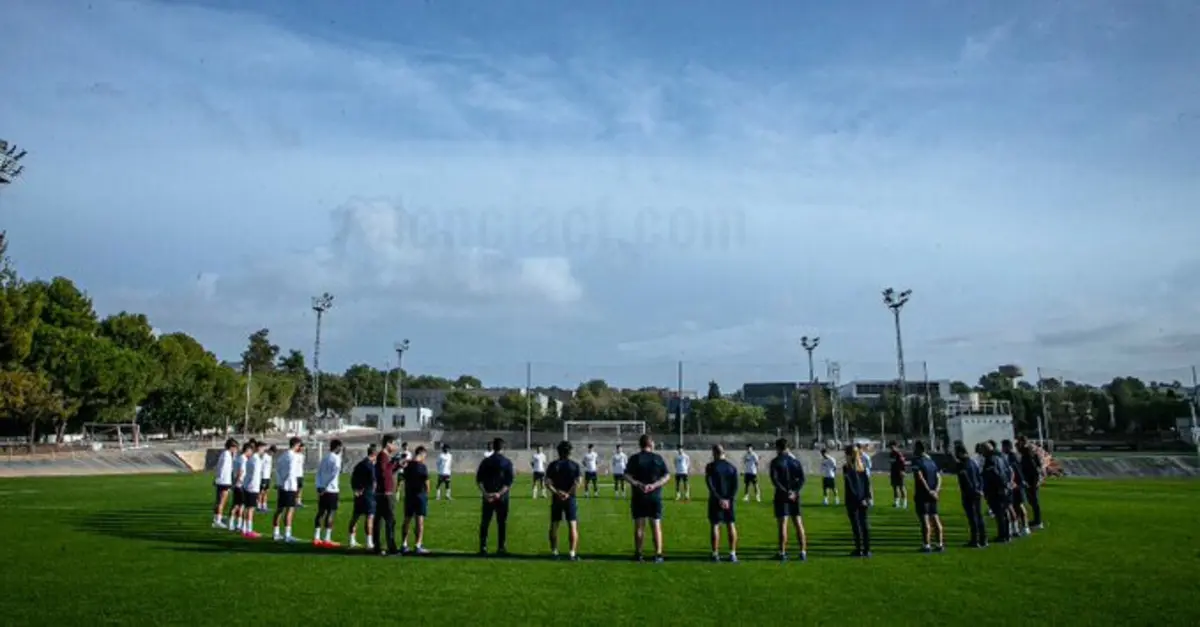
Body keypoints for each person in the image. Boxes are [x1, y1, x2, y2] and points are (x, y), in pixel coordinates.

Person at [624, 434, 670, 562]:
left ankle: (639, 554)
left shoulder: (634, 459)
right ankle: (658, 554)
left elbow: (626, 475)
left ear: (640, 445)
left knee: (639, 526)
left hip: (639, 495)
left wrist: (638, 484)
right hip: (654, 496)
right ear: (651, 444)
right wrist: (654, 485)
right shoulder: (657, 458)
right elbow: (667, 476)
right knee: (656, 525)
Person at [769, 438, 807, 562]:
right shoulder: (795, 462)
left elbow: (775, 480)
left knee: (783, 524)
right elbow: (802, 479)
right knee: (798, 523)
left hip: (782, 495)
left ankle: (782, 552)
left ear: (777, 448)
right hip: (795, 496)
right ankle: (802, 551)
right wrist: (795, 491)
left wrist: (786, 492)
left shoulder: (775, 462)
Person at [476, 437, 515, 556]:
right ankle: (501, 547)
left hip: (488, 497)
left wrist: (486, 494)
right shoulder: (507, 462)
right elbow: (509, 483)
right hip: (501, 498)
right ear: (503, 448)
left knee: (485, 522)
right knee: (501, 522)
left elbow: (479, 480)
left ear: (493, 447)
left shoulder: (486, 461)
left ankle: (483, 547)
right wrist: (499, 493)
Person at [545, 440, 582, 560]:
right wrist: (568, 494)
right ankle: (572, 553)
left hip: (557, 498)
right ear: (570, 452)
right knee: (572, 525)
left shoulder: (553, 465)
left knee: (554, 524)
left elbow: (548, 483)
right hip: (570, 498)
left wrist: (557, 492)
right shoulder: (575, 465)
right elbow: (578, 483)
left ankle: (554, 552)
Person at [706, 444, 740, 562]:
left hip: (716, 500)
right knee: (731, 524)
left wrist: (719, 498)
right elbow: (735, 487)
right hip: (729, 501)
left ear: (714, 453)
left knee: (715, 525)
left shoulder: (710, 467)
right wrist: (728, 499)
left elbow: (710, 485)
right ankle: (732, 553)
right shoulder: (732, 467)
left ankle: (715, 554)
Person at [910, 440, 945, 552]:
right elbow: (939, 477)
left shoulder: (917, 461)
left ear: (919, 449)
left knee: (925, 519)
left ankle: (926, 545)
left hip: (923, 494)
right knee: (935, 517)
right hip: (933, 494)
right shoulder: (931, 461)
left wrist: (929, 490)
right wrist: (936, 491)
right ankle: (940, 544)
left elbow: (920, 477)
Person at [954, 441, 987, 548]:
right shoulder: (973, 462)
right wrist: (980, 489)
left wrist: (971, 490)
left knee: (973, 518)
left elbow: (966, 480)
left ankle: (975, 540)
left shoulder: (962, 465)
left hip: (969, 493)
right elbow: (980, 477)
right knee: (979, 516)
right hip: (977, 491)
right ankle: (983, 539)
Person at [843, 444, 873, 557]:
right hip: (863, 499)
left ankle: (858, 549)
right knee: (864, 524)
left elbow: (850, 485)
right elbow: (866, 484)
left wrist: (857, 498)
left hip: (853, 500)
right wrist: (867, 497)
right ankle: (867, 549)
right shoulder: (863, 467)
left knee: (856, 525)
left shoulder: (847, 468)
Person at [373, 436, 401, 556]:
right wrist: (394, 462)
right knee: (389, 521)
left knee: (380, 520)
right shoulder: (382, 456)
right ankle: (391, 547)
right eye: (394, 444)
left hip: (382, 493)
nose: (395, 447)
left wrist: (398, 465)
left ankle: (378, 546)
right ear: (388, 444)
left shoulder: (384, 457)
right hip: (385, 493)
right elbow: (384, 473)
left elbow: (388, 471)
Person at [313, 439, 344, 547]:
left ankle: (316, 537)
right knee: (331, 513)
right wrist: (325, 486)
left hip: (322, 489)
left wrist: (319, 486)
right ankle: (327, 538)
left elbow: (318, 473)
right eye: (340, 447)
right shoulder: (336, 459)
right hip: (331, 489)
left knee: (321, 512)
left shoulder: (324, 458)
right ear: (337, 447)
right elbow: (334, 474)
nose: (341, 450)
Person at [272, 437, 303, 543]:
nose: (299, 447)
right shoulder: (293, 457)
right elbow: (290, 472)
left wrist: (279, 482)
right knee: (290, 510)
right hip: (289, 486)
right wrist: (286, 482)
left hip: (282, 486)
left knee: (279, 509)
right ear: (296, 445)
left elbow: (278, 470)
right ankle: (287, 535)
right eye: (299, 445)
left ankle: (276, 533)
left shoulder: (283, 456)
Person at [401, 446, 431, 555]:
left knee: (407, 519)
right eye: (425, 456)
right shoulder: (422, 467)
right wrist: (427, 494)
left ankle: (404, 544)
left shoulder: (407, 465)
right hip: (419, 495)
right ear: (422, 454)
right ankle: (418, 545)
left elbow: (404, 478)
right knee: (419, 520)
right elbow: (427, 483)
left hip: (409, 495)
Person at [980, 441, 1013, 543]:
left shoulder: (991, 460)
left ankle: (1003, 535)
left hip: (996, 490)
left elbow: (994, 474)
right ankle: (1006, 534)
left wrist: (1001, 486)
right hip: (1003, 488)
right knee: (1004, 512)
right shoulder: (1001, 457)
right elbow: (1009, 471)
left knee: (1000, 513)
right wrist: (1008, 483)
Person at [347, 444, 377, 551]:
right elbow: (373, 481)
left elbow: (353, 478)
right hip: (368, 493)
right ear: (374, 454)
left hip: (358, 493)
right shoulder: (370, 466)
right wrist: (374, 492)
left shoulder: (359, 465)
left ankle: (351, 540)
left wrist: (355, 489)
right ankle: (369, 543)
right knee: (369, 518)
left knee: (355, 517)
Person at [1002, 439, 1031, 537]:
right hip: (1016, 484)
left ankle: (1025, 527)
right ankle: (1019, 527)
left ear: (1007, 447)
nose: (1002, 449)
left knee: (1019, 505)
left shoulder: (1012, 457)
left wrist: (1020, 482)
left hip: (1017, 485)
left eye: (1003, 447)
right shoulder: (1010, 456)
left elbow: (1017, 470)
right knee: (1016, 506)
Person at [1016, 436, 1045, 529]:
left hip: (1031, 480)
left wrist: (1035, 481)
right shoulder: (1030, 453)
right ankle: (1037, 520)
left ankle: (1038, 521)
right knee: (1033, 501)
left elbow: (1034, 469)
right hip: (1032, 480)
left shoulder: (1027, 454)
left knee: (1034, 501)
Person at [240, 441, 266, 538]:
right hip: (252, 487)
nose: (264, 451)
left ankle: (244, 528)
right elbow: (255, 475)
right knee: (251, 508)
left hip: (247, 486)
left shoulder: (250, 459)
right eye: (263, 448)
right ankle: (249, 530)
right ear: (259, 448)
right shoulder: (256, 460)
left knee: (247, 508)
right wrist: (257, 488)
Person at [212, 438, 238, 528]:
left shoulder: (225, 454)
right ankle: (218, 521)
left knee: (219, 501)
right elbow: (224, 469)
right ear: (231, 447)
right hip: (224, 481)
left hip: (222, 480)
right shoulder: (227, 455)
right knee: (222, 502)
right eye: (235, 447)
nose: (236, 450)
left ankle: (216, 518)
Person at [229, 442, 252, 532]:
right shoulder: (243, 459)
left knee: (235, 505)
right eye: (251, 451)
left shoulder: (237, 458)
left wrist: (233, 483)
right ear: (248, 450)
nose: (251, 453)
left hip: (236, 484)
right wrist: (238, 481)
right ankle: (239, 524)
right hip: (241, 484)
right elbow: (241, 471)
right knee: (241, 505)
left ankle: (231, 524)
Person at [888, 441, 908, 509]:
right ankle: (897, 503)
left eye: (892, 446)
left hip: (899, 472)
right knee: (894, 487)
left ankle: (904, 503)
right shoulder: (891, 454)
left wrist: (903, 471)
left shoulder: (899, 454)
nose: (891, 448)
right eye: (890, 446)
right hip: (893, 472)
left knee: (901, 487)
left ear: (895, 446)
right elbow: (892, 463)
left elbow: (903, 463)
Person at [257, 445, 275, 512]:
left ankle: (264, 505)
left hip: (267, 477)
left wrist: (270, 474)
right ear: (270, 450)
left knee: (266, 491)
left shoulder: (270, 457)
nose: (273, 453)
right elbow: (260, 466)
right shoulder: (264, 456)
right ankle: (259, 505)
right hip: (263, 477)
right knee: (261, 492)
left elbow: (270, 467)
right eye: (272, 452)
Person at [857, 442, 874, 506]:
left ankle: (870, 501)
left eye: (859, 448)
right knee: (861, 488)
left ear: (861, 449)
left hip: (866, 474)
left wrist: (863, 466)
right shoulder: (856, 456)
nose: (858, 450)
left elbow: (870, 466)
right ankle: (863, 501)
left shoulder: (866, 456)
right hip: (859, 474)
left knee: (868, 488)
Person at [294, 442, 306, 509]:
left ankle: (299, 502)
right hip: (295, 475)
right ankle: (294, 502)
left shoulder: (302, 456)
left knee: (300, 488)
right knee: (295, 489)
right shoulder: (294, 455)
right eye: (302, 447)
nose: (303, 449)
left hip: (300, 474)